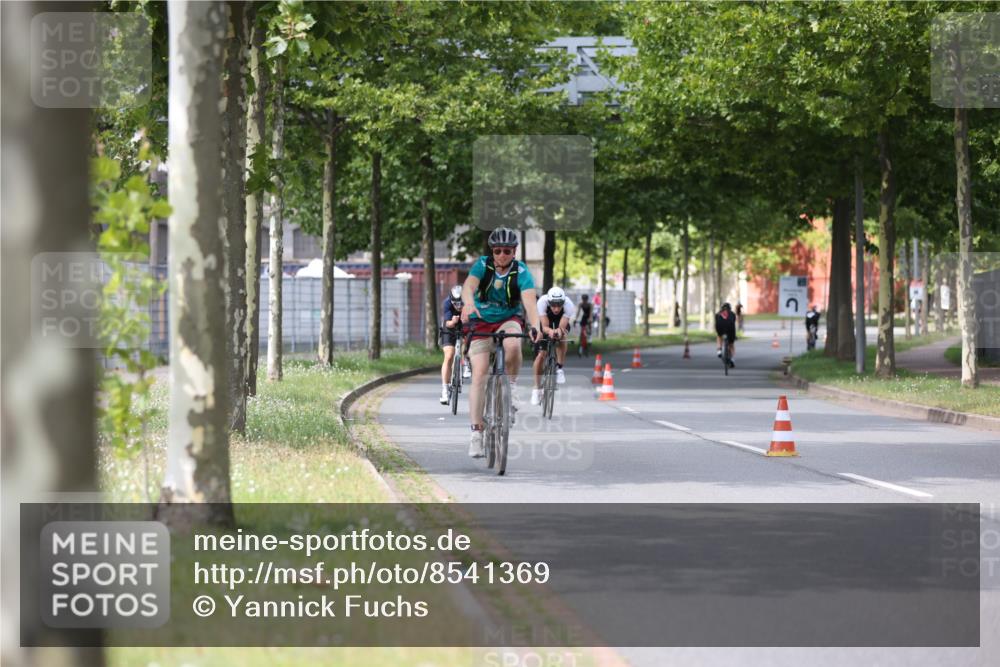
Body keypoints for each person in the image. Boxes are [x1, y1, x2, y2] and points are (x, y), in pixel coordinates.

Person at [460, 227, 540, 458]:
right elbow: (469, 287)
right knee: (480, 373)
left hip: (508, 318)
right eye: (498, 251)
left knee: (514, 344)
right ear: (492, 252)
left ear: (514, 252)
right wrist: (467, 303)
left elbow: (530, 303)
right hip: (480, 320)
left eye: (507, 251)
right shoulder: (482, 265)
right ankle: (476, 433)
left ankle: (512, 386)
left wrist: (536, 326)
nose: (502, 255)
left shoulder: (521, 271)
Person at [531, 286, 575, 405]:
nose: (556, 308)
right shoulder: (542, 302)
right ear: (549, 302)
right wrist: (550, 332)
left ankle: (559, 368)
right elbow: (544, 326)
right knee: (540, 356)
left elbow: (562, 326)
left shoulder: (569, 305)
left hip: (560, 323)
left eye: (559, 305)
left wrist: (558, 332)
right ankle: (536, 388)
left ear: (563, 302)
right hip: (545, 323)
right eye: (553, 305)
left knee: (563, 337)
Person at [439, 285, 465, 404]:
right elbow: (448, 323)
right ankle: (445, 389)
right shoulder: (447, 303)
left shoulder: (470, 302)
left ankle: (466, 365)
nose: (458, 307)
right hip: (450, 327)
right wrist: (453, 321)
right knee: (449, 355)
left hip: (465, 325)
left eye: (461, 304)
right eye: (456, 304)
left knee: (470, 345)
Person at [715, 302, 737, 368]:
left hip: (720, 328)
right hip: (730, 329)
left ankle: (719, 350)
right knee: (731, 344)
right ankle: (732, 359)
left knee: (719, 336)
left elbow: (716, 323)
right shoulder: (733, 314)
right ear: (730, 308)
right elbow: (733, 323)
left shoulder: (718, 314)